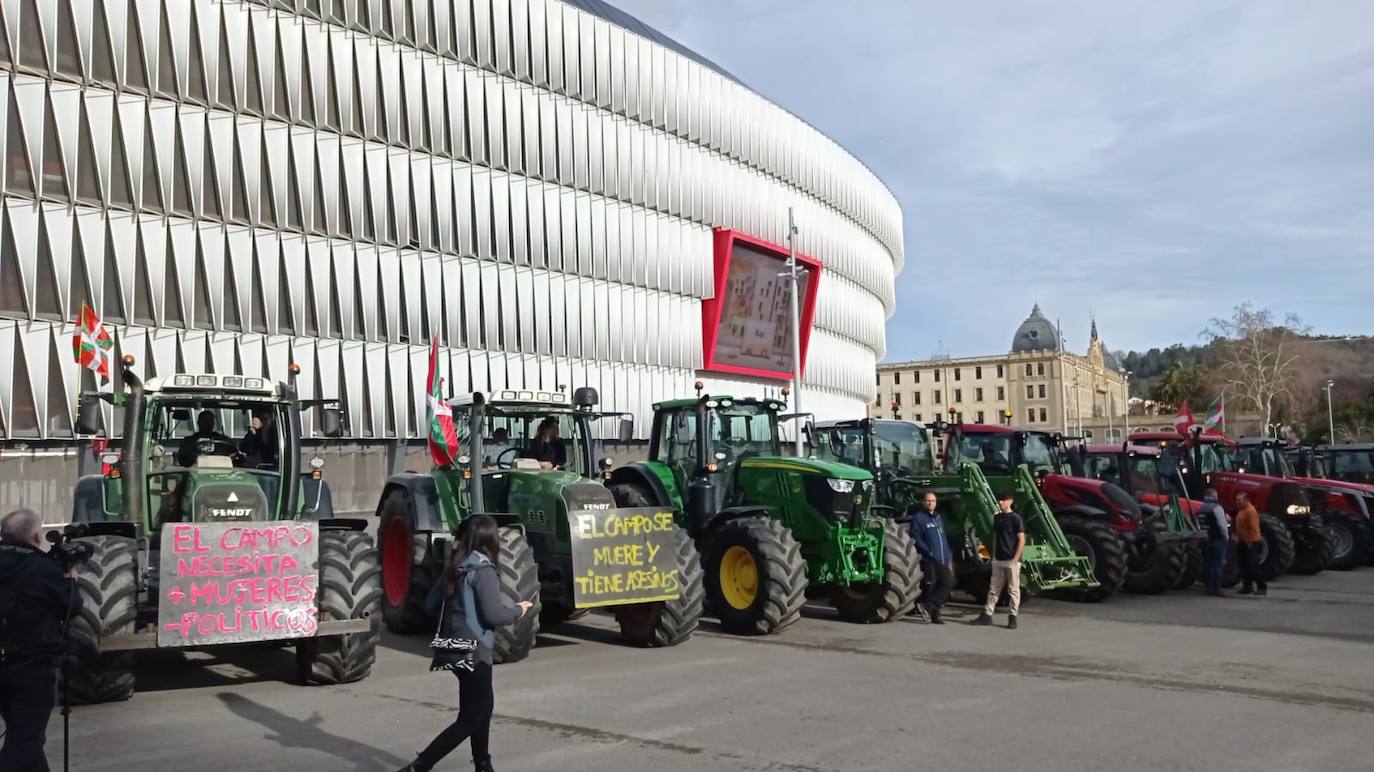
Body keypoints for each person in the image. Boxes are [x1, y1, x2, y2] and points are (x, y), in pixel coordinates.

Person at [401, 515, 533, 772]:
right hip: (475, 650)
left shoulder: (457, 566)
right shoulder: (482, 571)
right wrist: (519, 609)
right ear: (490, 539)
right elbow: (495, 615)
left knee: (483, 707)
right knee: (471, 717)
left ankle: (483, 763)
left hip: (452, 646)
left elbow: (430, 606)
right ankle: (419, 766)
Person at [0, 509, 82, 772]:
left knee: (25, 735)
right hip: (30, 665)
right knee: (25, 739)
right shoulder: (42, 568)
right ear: (36, 536)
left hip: (7, 662)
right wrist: (69, 581)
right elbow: (72, 607)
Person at [974, 491, 1024, 629]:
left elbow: (1021, 539)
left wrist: (1016, 558)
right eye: (999, 500)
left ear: (1010, 501)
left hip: (1011, 560)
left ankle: (1013, 616)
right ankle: (988, 614)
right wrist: (994, 555)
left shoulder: (1015, 519)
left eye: (1003, 500)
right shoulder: (998, 518)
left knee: (1013, 589)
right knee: (994, 588)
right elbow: (996, 537)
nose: (1000, 503)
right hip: (999, 559)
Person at [910, 492, 952, 624]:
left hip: (942, 557)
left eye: (933, 501)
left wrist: (947, 553)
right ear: (923, 502)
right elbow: (916, 537)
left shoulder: (938, 518)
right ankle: (929, 610)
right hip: (930, 559)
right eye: (928, 501)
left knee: (946, 584)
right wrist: (928, 551)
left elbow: (942, 537)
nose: (930, 503)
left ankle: (931, 610)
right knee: (932, 585)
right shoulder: (919, 518)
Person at [1199, 488, 1230, 597]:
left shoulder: (1201, 508)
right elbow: (1222, 524)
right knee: (1217, 564)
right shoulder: (1217, 508)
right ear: (1215, 496)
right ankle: (1216, 588)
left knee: (1208, 564)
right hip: (1218, 539)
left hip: (1206, 540)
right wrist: (1226, 537)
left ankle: (1207, 587)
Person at [1234, 491, 1266, 596]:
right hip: (1242, 541)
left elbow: (1254, 528)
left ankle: (1261, 587)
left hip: (1251, 541)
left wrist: (1250, 541)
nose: (1237, 502)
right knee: (1243, 565)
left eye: (1239, 500)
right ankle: (1247, 586)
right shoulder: (1241, 510)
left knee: (1253, 565)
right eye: (1236, 499)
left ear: (1246, 500)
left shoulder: (1250, 511)